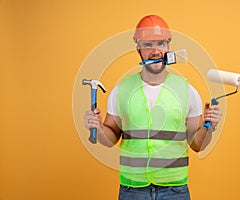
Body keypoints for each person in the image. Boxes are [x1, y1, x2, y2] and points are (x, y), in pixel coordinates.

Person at [84, 15, 222, 200]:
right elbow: (110, 139)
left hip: (175, 191)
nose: (155, 51)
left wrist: (209, 126)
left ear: (168, 47)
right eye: (148, 45)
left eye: (160, 44)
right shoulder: (122, 90)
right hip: (132, 190)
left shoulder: (187, 91)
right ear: (138, 49)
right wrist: (98, 127)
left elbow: (197, 145)